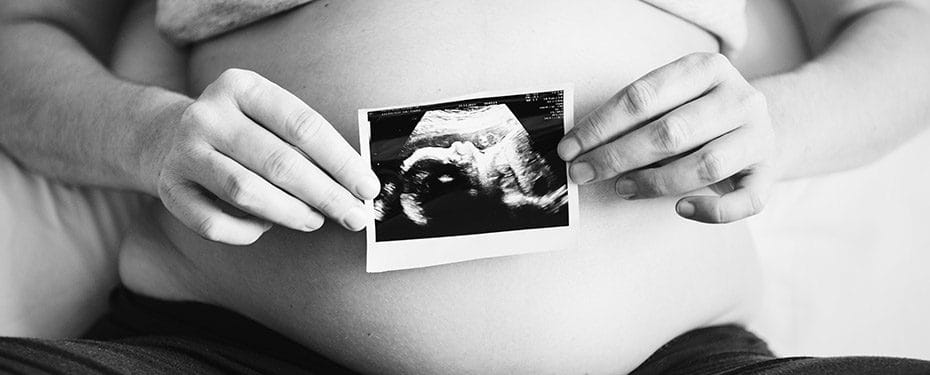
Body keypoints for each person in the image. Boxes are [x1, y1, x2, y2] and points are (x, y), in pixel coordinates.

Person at [1, 0, 930, 374]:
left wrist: (777, 122)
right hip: (223, 348)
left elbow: (907, 35)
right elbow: (18, 41)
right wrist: (147, 135)